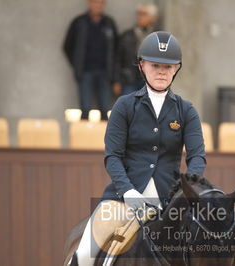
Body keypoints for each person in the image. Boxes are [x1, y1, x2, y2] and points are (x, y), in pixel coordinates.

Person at [67, 31, 206, 265]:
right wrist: (129, 192)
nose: (162, 71)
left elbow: (197, 157)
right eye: (155, 65)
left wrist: (188, 190)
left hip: (168, 203)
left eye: (168, 66)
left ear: (176, 69)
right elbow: (112, 157)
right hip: (122, 200)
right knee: (85, 255)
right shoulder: (124, 105)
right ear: (142, 66)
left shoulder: (187, 111)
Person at [63, 0, 117, 120]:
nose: (97, 5)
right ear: (89, 3)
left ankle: (104, 138)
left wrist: (114, 75)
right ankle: (83, 137)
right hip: (85, 71)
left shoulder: (109, 23)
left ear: (104, 4)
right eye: (95, 2)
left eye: (100, 2)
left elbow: (115, 49)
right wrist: (77, 64)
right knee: (85, 108)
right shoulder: (79, 22)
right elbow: (67, 46)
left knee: (105, 109)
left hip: (105, 72)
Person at [113, 3, 159, 96]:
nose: (140, 17)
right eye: (139, 13)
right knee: (128, 107)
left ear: (152, 18)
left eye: (144, 14)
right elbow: (117, 58)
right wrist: (116, 80)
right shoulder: (127, 35)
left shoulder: (157, 37)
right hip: (129, 79)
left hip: (148, 80)